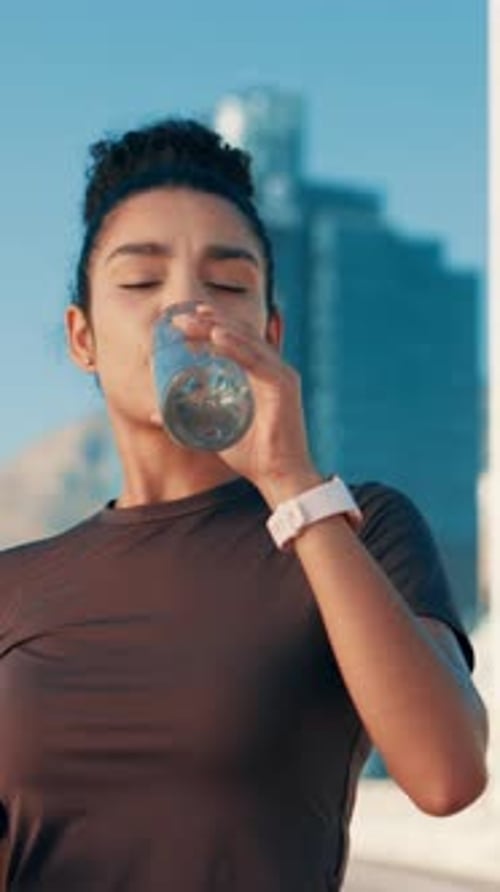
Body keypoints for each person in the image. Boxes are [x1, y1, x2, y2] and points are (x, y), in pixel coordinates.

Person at [0, 118, 488, 892]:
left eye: (227, 285)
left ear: (270, 330)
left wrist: (291, 480)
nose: (187, 310)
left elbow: (446, 774)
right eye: (140, 282)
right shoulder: (14, 586)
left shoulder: (358, 527)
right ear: (82, 337)